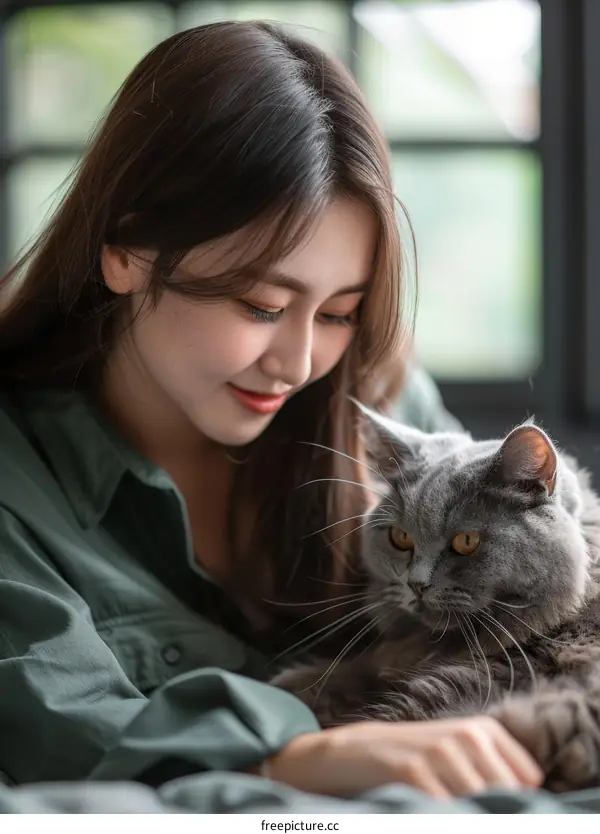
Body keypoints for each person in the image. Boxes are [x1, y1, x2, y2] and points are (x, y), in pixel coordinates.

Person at [0, 18, 595, 815]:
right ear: (124, 252)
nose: (299, 361)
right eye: (261, 304)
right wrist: (300, 757)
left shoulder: (383, 407)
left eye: (341, 312)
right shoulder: (19, 475)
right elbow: (71, 728)